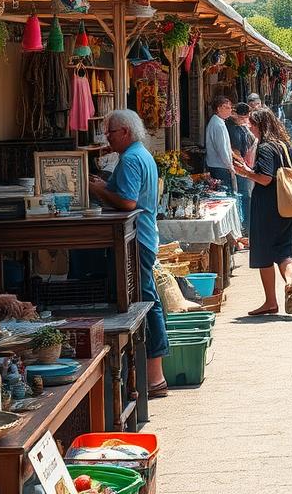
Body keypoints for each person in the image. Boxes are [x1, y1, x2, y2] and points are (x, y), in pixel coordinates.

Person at [88, 109, 168, 396]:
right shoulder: (138, 154)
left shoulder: (132, 158)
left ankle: (155, 377)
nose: (106, 137)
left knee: (147, 301)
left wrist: (98, 190)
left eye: (110, 132)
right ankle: (154, 375)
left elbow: (127, 202)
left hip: (139, 240)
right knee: (148, 299)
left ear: (125, 132)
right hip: (144, 237)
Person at [232, 108, 292, 317]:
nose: (251, 128)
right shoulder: (285, 145)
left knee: (264, 253)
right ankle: (288, 282)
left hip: (267, 206)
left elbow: (265, 178)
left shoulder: (265, 147)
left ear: (261, 125)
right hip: (287, 205)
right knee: (285, 251)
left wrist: (245, 171)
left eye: (253, 124)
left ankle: (271, 302)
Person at [228, 102, 256, 236]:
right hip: (240, 166)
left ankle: (248, 227)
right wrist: (242, 164)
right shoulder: (232, 128)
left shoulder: (242, 127)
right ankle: (246, 227)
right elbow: (234, 149)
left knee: (246, 195)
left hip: (245, 165)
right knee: (244, 196)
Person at [204, 95, 234, 192]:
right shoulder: (217, 124)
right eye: (227, 108)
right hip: (220, 166)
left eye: (230, 108)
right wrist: (229, 165)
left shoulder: (218, 122)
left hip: (218, 165)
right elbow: (222, 148)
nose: (230, 110)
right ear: (218, 108)